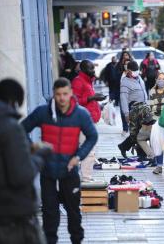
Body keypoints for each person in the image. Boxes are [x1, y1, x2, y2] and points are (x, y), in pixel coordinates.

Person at [22, 78, 98, 244]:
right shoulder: (43, 112)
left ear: (71, 93)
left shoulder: (81, 114)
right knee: (50, 213)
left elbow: (93, 136)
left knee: (73, 212)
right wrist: (33, 148)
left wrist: (78, 156)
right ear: (54, 95)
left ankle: (77, 241)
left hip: (70, 171)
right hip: (47, 171)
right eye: (58, 94)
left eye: (65, 94)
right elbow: (21, 129)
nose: (62, 98)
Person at [0, 79, 51, 244]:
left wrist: (27, 153)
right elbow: (21, 175)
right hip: (16, 217)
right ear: (13, 101)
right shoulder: (10, 127)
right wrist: (40, 155)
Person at [72, 60, 105, 182]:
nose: (93, 71)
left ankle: (86, 177)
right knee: (89, 151)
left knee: (91, 150)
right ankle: (86, 178)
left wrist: (96, 98)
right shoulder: (78, 81)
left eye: (93, 68)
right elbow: (74, 101)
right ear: (84, 69)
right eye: (91, 69)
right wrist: (93, 97)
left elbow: (86, 98)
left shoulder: (87, 80)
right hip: (82, 122)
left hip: (90, 121)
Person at [118, 60, 148, 157]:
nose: (136, 72)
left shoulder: (139, 78)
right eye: (134, 70)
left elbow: (144, 92)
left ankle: (125, 147)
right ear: (129, 71)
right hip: (133, 110)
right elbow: (123, 99)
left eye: (137, 70)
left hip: (143, 108)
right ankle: (141, 154)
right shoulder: (125, 82)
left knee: (140, 132)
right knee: (137, 133)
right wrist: (126, 114)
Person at [149, 73, 164, 174]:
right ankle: (159, 166)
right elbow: (150, 107)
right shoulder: (152, 91)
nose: (161, 81)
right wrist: (155, 120)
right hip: (157, 121)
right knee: (159, 143)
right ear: (156, 80)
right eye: (159, 79)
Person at [118, 51, 133, 135]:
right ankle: (125, 128)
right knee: (123, 111)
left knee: (131, 111)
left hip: (132, 95)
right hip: (122, 94)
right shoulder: (121, 71)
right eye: (124, 56)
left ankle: (131, 127)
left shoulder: (134, 73)